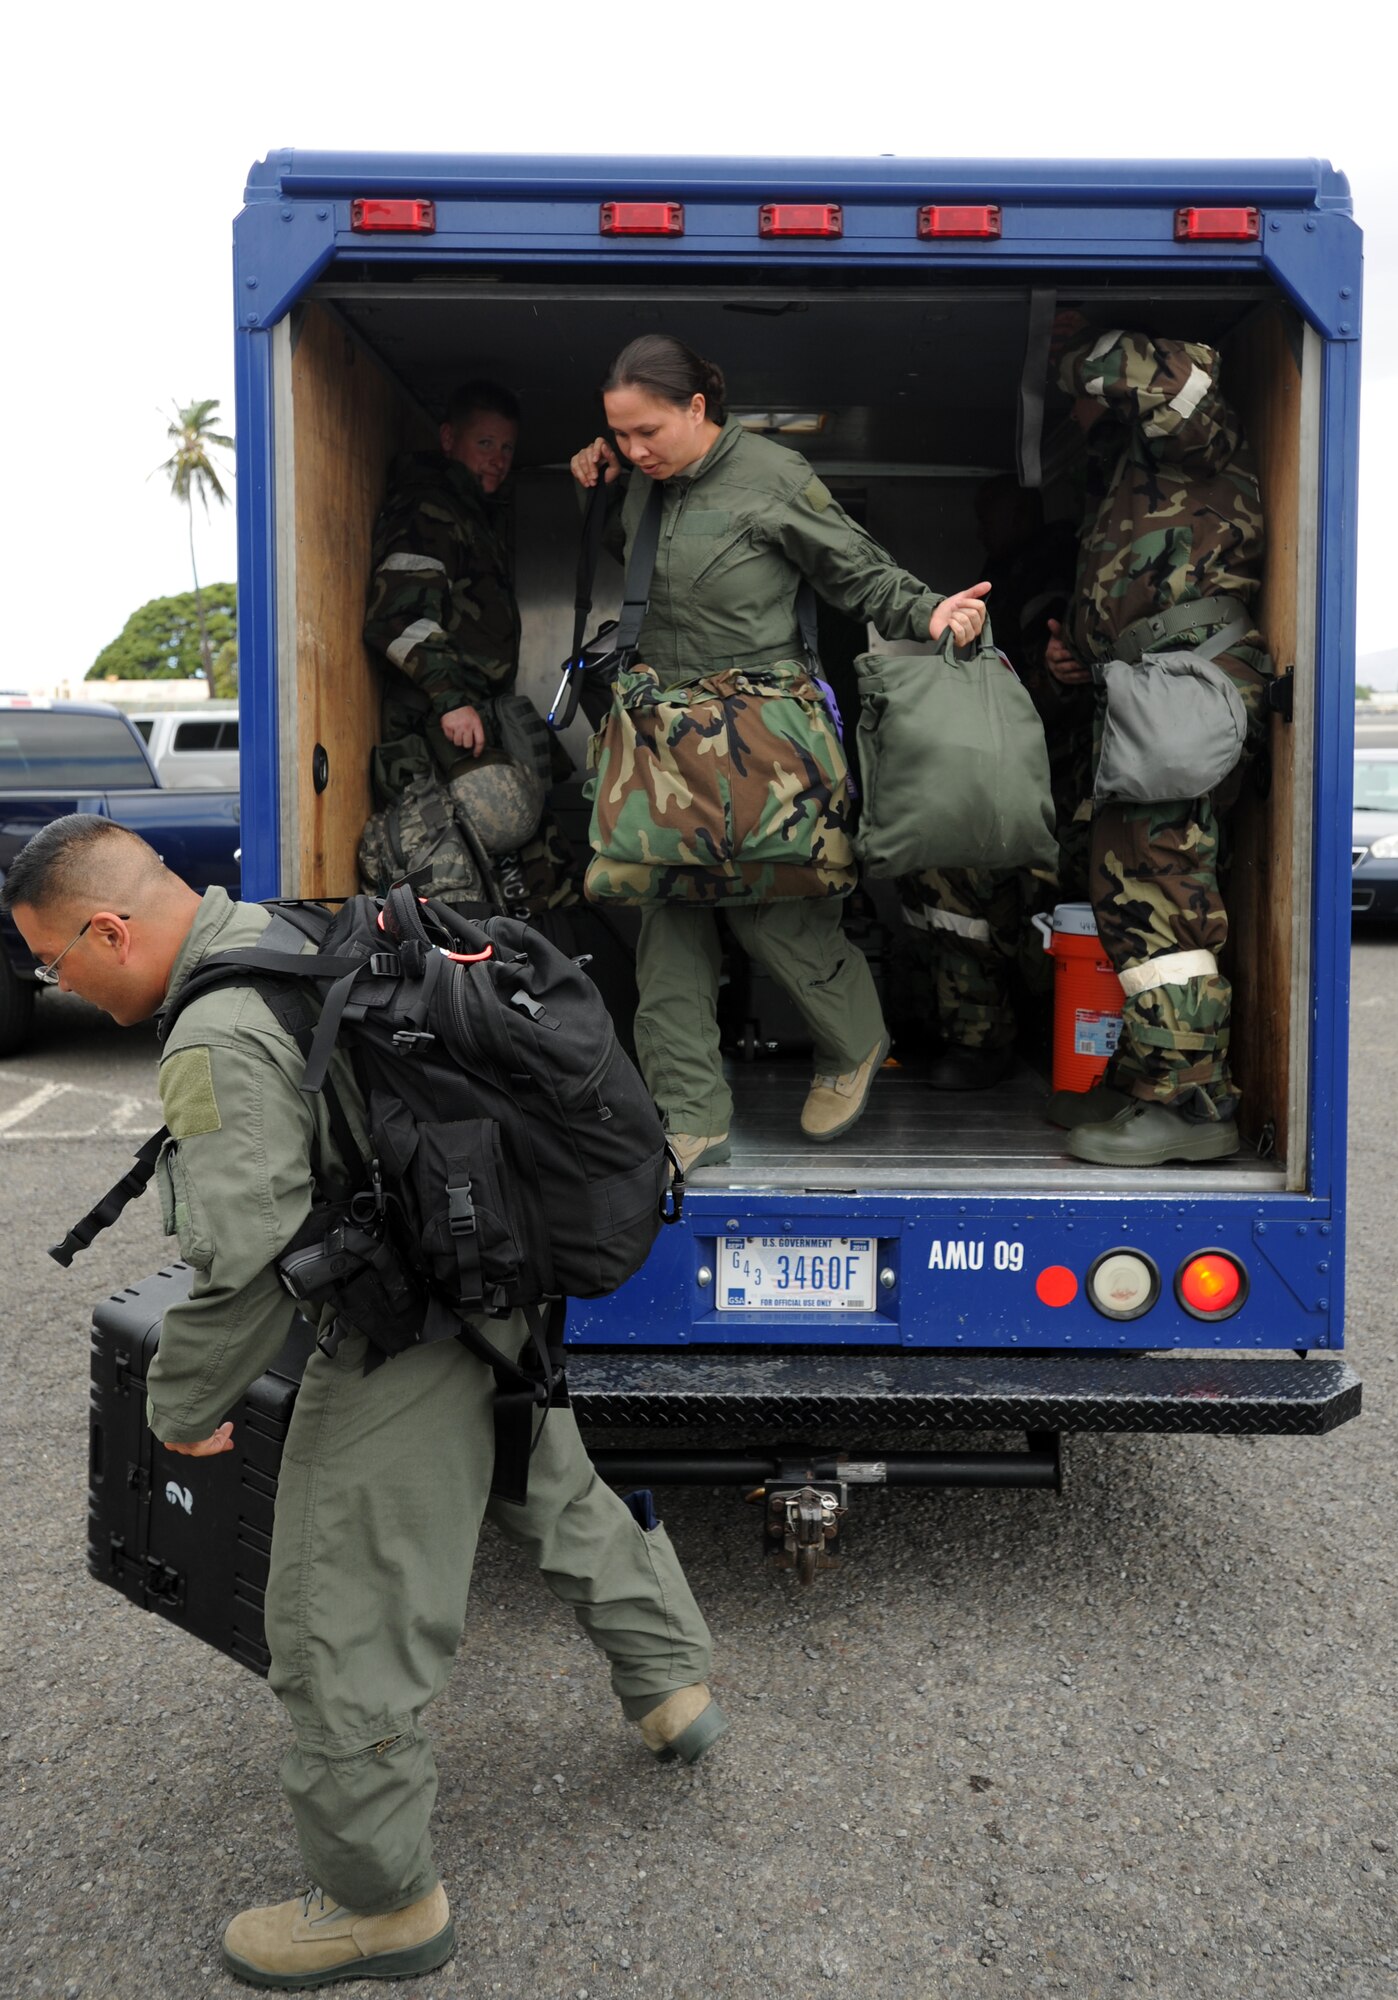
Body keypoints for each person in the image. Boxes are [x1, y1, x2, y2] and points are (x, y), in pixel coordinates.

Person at [3, 814, 721, 1990]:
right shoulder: (291, 926)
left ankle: (380, 1901)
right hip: (490, 1271)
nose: (54, 981)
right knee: (549, 1480)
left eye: (52, 959)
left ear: (111, 928)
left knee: (337, 1616)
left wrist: (182, 1406)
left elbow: (241, 1256)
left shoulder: (217, 1030)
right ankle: (675, 1688)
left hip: (401, 1325)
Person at [570, 335, 991, 1173]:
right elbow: (654, 571)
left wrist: (930, 614)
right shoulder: (639, 484)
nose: (635, 449)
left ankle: (855, 1041)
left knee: (778, 921)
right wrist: (607, 471)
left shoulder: (772, 478)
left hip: (757, 741)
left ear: (698, 409)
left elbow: (859, 575)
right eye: (619, 434)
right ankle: (691, 1119)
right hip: (665, 742)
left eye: (647, 431)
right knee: (668, 933)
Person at [1041, 326, 1272, 1166]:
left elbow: (1140, 369)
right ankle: (1150, 1079)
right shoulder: (1132, 474)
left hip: (1189, 687)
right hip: (1149, 689)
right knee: (1130, 892)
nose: (1084, 407)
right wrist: (1077, 655)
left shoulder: (1198, 436)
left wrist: (1064, 362)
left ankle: (1189, 1101)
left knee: (1159, 890)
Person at [897, 478, 1085, 1090]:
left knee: (971, 887)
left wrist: (1051, 680)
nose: (981, 529)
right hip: (1003, 775)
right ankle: (971, 1030)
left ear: (1022, 512)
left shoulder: (1045, 582)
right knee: (945, 882)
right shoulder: (1009, 574)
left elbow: (1041, 690)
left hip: (1044, 782)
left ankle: (984, 1039)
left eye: (990, 516)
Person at [364, 377, 573, 912]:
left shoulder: (471, 513)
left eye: (507, 448)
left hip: (473, 725)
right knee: (470, 895)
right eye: (485, 444)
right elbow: (398, 616)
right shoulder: (428, 508)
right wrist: (451, 697)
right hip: (438, 730)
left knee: (530, 879)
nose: (499, 460)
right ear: (448, 438)